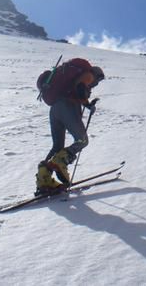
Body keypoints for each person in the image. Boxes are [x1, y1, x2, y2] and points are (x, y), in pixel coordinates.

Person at [35, 57, 105, 195]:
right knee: (82, 140)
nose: (96, 84)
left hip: (54, 109)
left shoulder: (69, 75)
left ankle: (44, 179)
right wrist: (87, 104)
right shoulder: (89, 74)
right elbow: (80, 87)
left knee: (57, 147)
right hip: (67, 105)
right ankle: (61, 161)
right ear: (97, 75)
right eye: (98, 81)